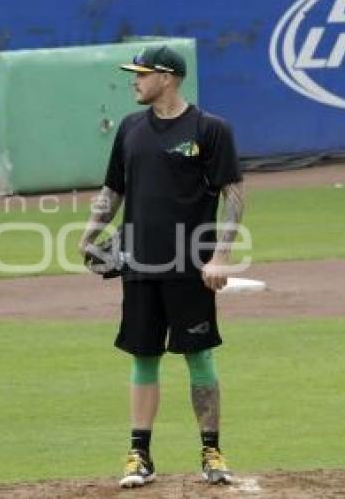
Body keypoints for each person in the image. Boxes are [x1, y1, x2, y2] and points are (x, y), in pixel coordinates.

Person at [79, 46, 245, 488]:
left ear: (167, 77)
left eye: (141, 73)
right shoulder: (131, 128)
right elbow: (113, 188)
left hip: (190, 266)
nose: (134, 80)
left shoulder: (210, 130)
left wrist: (221, 255)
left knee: (199, 355)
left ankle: (211, 450)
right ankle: (139, 454)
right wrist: (90, 230)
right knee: (143, 356)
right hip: (137, 262)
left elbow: (234, 195)